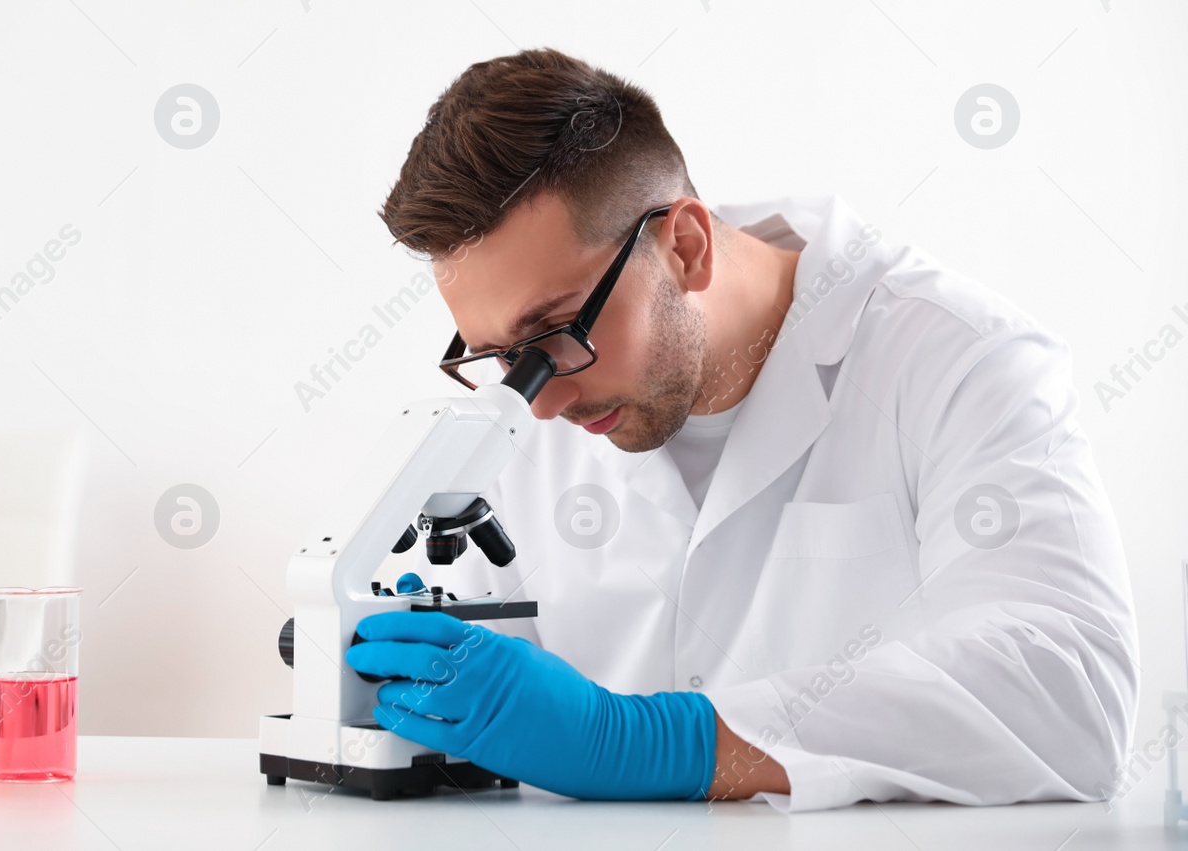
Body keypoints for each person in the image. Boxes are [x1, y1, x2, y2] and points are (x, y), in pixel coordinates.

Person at [343, 48, 1138, 810]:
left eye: (556, 329)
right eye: (500, 354)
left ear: (684, 246)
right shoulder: (533, 404)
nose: (540, 403)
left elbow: (1074, 694)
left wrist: (649, 743)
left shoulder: (958, 358)